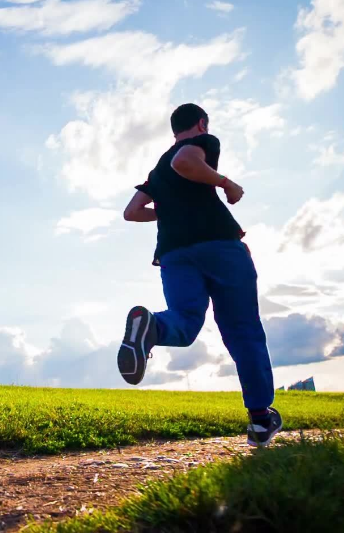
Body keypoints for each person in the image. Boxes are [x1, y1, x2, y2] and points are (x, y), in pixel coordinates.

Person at [117, 103, 281, 448]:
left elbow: (132, 213)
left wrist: (167, 212)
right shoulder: (202, 144)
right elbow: (185, 162)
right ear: (201, 124)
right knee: (242, 330)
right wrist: (226, 183)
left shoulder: (156, 171)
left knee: (184, 321)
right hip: (219, 246)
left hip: (175, 254)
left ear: (173, 128)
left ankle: (152, 326)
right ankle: (261, 419)